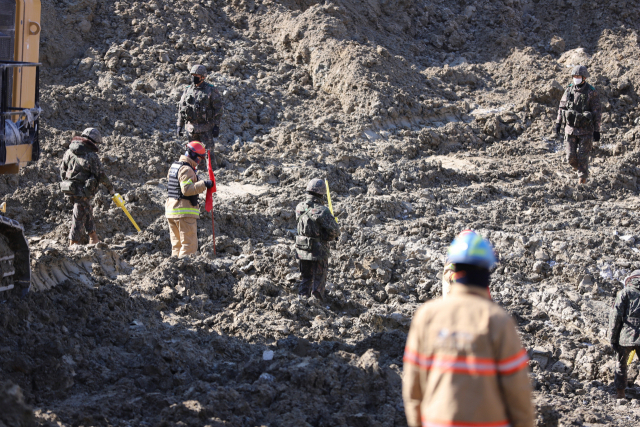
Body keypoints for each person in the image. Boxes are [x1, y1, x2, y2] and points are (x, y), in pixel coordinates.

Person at [403, 230, 535, 427]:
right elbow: (517, 390)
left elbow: (413, 385)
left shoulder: (426, 316)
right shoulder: (498, 321)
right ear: (486, 269)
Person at [59, 128, 114, 245]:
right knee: (78, 217)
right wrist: (110, 188)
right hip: (83, 190)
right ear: (94, 141)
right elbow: (101, 175)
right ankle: (73, 243)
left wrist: (67, 183)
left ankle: (93, 238)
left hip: (69, 188)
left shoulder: (69, 152)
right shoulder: (91, 156)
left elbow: (62, 170)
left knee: (87, 211)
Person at [553, 64, 601, 184]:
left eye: (579, 76)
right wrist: (558, 123)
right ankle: (579, 168)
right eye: (574, 76)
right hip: (570, 130)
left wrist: (597, 130)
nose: (576, 78)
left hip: (586, 131)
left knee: (583, 158)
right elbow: (561, 107)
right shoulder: (569, 90)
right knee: (570, 158)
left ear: (584, 78)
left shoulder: (591, 92)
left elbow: (597, 112)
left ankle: (582, 181)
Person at [165, 141, 214, 258]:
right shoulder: (187, 169)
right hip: (183, 212)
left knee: (177, 245)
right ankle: (185, 271)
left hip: (171, 210)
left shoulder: (175, 166)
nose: (200, 161)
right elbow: (186, 190)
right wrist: (204, 184)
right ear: (193, 155)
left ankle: (174, 270)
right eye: (199, 158)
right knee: (189, 246)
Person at [294, 178, 340, 300]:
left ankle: (302, 300)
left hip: (302, 249)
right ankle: (316, 302)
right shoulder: (323, 211)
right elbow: (335, 232)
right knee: (319, 278)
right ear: (322, 194)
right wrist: (327, 236)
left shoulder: (299, 207)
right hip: (319, 251)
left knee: (306, 277)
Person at [176, 64, 223, 152]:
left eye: (196, 76)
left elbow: (218, 109)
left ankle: (210, 166)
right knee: (194, 155)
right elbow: (181, 108)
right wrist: (179, 125)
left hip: (206, 129)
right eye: (193, 75)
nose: (194, 78)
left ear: (202, 77)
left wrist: (216, 126)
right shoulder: (187, 90)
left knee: (208, 154)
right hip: (191, 129)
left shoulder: (211, 90)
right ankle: (198, 166)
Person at [608, 270, 640, 399]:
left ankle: (620, 394)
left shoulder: (625, 292)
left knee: (621, 364)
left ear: (630, 280)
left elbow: (615, 316)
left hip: (626, 336)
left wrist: (613, 338)